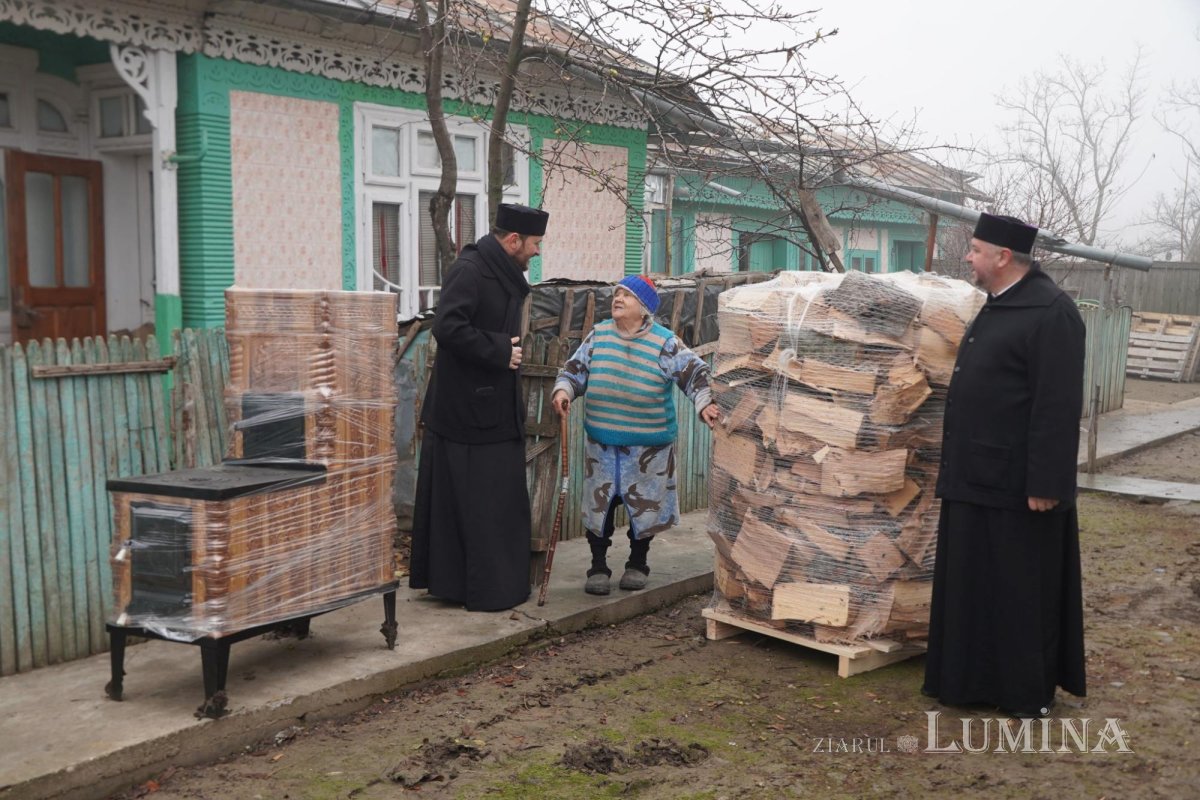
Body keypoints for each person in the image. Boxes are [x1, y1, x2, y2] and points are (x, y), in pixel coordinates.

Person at [922, 212, 1087, 718]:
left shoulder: (1051, 312)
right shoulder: (998, 305)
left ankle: (1022, 692)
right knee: (972, 586)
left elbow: (1057, 405)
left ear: (1003, 257)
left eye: (974, 250)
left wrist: (1046, 482)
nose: (967, 258)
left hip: (1020, 486)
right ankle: (969, 682)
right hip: (975, 476)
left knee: (1020, 590)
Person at [409, 203, 548, 612]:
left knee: (495, 503)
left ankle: (492, 586)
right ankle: (474, 588)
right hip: (464, 414)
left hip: (491, 408)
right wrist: (499, 350)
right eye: (535, 244)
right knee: (475, 504)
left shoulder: (499, 268)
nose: (538, 252)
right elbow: (447, 327)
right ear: (513, 240)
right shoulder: (470, 270)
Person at [551, 275, 721, 596]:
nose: (617, 299)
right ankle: (598, 566)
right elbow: (575, 370)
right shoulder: (598, 336)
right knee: (599, 507)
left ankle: (637, 563)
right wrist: (564, 391)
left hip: (648, 448)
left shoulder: (664, 342)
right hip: (601, 446)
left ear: (643, 308)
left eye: (626, 296)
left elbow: (694, 373)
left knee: (642, 510)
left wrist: (704, 404)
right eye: (616, 294)